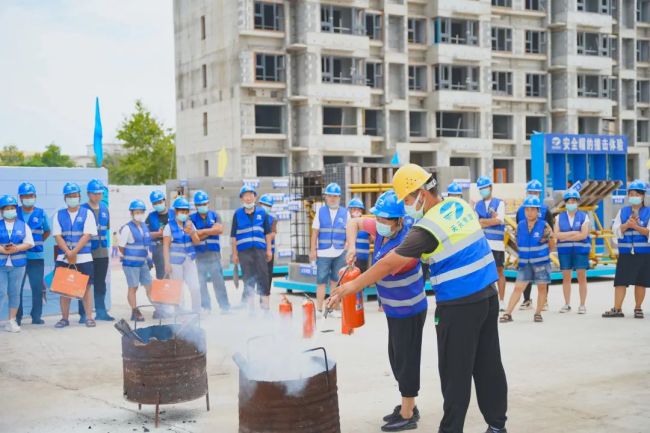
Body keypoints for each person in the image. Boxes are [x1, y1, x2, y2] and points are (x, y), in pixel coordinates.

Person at [329, 164, 508, 433]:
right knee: (488, 364)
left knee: (454, 375)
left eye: (409, 200)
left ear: (422, 193)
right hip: (488, 297)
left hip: (459, 306)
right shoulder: (458, 207)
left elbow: (388, 264)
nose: (408, 206)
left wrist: (349, 287)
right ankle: (497, 426)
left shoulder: (426, 227)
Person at [345, 190, 426, 432]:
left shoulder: (407, 243)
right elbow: (354, 221)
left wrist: (351, 286)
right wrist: (351, 248)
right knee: (396, 358)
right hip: (394, 310)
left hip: (410, 310)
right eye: (378, 218)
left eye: (384, 220)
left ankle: (408, 413)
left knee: (407, 359)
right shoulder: (383, 229)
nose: (378, 223)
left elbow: (381, 269)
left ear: (399, 220)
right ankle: (408, 403)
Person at [52, 182, 98, 328]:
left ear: (79, 196)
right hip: (64, 257)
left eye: (75, 195)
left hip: (84, 257)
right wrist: (68, 252)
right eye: (70, 196)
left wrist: (74, 252)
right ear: (65, 198)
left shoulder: (87, 213)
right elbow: (57, 236)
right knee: (64, 289)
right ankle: (64, 318)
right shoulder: (59, 215)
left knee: (86, 288)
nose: (73, 198)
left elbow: (87, 235)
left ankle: (89, 317)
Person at [500, 195, 552, 323]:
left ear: (538, 211)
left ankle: (538, 313)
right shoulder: (520, 226)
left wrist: (542, 255)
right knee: (518, 288)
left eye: (532, 209)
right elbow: (518, 243)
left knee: (541, 288)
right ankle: (507, 314)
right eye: (527, 210)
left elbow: (552, 243)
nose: (529, 212)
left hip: (541, 263)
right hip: (525, 263)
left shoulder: (544, 226)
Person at [603, 180, 650, 319]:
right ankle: (617, 308)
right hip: (626, 253)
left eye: (636, 193)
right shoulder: (622, 212)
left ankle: (638, 308)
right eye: (631, 194)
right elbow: (616, 230)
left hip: (643, 253)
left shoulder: (648, 212)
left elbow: (648, 232)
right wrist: (626, 225)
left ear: (642, 196)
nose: (633, 196)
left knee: (641, 281)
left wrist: (635, 227)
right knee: (620, 281)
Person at [231, 186, 272, 310]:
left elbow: (268, 233)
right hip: (244, 252)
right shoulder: (237, 214)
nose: (248, 198)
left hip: (260, 251)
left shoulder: (262, 213)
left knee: (264, 279)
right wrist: (235, 254)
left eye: (251, 195)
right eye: (245, 195)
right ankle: (251, 311)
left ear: (255, 197)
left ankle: (266, 309)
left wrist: (269, 249)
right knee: (248, 281)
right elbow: (233, 237)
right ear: (241, 198)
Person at [516, 179, 555, 310]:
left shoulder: (545, 210)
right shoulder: (521, 210)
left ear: (540, 194)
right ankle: (527, 300)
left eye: (536, 192)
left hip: (540, 250)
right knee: (524, 275)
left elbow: (551, 232)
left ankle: (544, 301)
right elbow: (518, 230)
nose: (533, 194)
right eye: (531, 192)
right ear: (527, 193)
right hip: (525, 250)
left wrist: (546, 250)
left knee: (542, 277)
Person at [310, 182, 348, 314]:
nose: (332, 198)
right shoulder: (320, 212)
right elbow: (315, 232)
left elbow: (349, 230)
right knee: (321, 281)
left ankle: (334, 308)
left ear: (339, 198)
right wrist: (312, 250)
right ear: (326, 197)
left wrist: (348, 244)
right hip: (323, 253)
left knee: (335, 282)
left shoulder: (345, 213)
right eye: (330, 196)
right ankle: (319, 308)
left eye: (335, 196)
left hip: (339, 253)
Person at [79, 178, 113, 322]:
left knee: (100, 283)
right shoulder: (82, 210)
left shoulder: (105, 209)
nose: (97, 196)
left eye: (99, 193)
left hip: (102, 253)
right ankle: (83, 314)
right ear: (88, 194)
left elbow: (107, 228)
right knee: (83, 284)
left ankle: (101, 312)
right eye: (94, 193)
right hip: (86, 253)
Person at [16, 182, 50, 326]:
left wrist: (35, 242)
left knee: (37, 288)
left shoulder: (41, 213)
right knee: (17, 289)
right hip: (18, 258)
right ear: (20, 197)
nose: (28, 198)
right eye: (25, 196)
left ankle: (36, 316)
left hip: (36, 258)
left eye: (31, 195)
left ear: (35, 196)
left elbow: (47, 231)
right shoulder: (14, 212)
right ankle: (17, 316)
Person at [191, 190, 230, 313]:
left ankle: (224, 307)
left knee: (219, 282)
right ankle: (206, 307)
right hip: (199, 255)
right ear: (196, 206)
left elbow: (219, 230)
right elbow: (193, 237)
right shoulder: (191, 218)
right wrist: (210, 231)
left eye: (204, 203)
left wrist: (201, 232)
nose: (203, 206)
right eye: (200, 204)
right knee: (201, 283)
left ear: (208, 203)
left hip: (214, 255)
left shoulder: (215, 215)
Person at [0, 195, 35, 333]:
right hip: (1, 264)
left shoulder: (23, 225)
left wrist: (17, 248)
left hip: (18, 265)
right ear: (2, 211)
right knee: (1, 292)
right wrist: (2, 249)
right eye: (7, 208)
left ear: (16, 209)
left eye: (12, 208)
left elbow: (29, 243)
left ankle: (11, 321)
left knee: (14, 293)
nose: (10, 210)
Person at [163, 197, 202, 313]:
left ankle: (196, 310)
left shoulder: (190, 225)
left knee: (195, 286)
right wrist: (167, 263)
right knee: (177, 288)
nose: (184, 214)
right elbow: (165, 246)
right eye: (181, 211)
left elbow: (197, 242)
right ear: (175, 211)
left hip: (189, 260)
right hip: (175, 263)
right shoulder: (169, 227)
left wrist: (192, 233)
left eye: (186, 211)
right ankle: (179, 311)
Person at [555, 190, 590, 314]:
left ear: (577, 202)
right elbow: (557, 234)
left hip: (580, 251)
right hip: (564, 252)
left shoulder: (584, 216)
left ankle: (582, 304)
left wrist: (565, 237)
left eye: (573, 201)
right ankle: (567, 304)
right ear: (565, 203)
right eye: (569, 201)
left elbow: (584, 235)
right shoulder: (559, 217)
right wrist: (574, 233)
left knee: (582, 277)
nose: (571, 203)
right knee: (566, 278)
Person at [475, 176, 507, 311]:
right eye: (481, 189)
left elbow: (499, 220)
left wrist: (483, 221)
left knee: (499, 271)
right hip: (483, 243)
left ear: (491, 188)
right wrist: (489, 221)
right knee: (484, 272)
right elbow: (475, 223)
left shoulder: (499, 203)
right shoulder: (477, 205)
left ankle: (502, 300)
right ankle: (486, 299)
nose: (483, 190)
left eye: (485, 188)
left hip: (497, 244)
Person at [118, 200, 154, 321]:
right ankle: (134, 311)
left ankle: (159, 308)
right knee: (133, 287)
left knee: (149, 286)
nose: (139, 214)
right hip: (131, 264)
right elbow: (121, 247)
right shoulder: (127, 228)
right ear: (132, 213)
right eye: (136, 212)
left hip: (143, 262)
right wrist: (127, 259)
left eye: (141, 212)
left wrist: (147, 258)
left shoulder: (144, 227)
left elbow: (145, 245)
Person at [146, 190, 172, 280]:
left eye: (160, 202)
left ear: (164, 201)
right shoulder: (151, 216)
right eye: (155, 203)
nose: (158, 204)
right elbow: (145, 234)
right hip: (158, 250)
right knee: (162, 278)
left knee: (175, 279)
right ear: (153, 205)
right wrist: (158, 234)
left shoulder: (174, 213)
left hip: (174, 249)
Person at [259, 194, 277, 292]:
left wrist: (266, 235)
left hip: (270, 252)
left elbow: (273, 233)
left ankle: (266, 295)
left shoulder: (272, 219)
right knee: (259, 275)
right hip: (258, 250)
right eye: (265, 204)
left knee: (268, 274)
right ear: (260, 204)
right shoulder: (255, 218)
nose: (267, 207)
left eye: (269, 206)